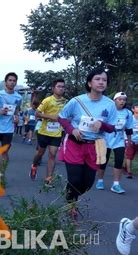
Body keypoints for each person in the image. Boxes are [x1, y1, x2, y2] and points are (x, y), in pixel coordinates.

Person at [57, 68, 117, 220]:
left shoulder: (110, 104)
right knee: (75, 179)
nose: (101, 82)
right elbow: (62, 118)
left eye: (104, 80)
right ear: (90, 83)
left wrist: (102, 125)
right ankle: (71, 205)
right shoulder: (76, 101)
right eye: (98, 79)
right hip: (75, 143)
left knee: (88, 183)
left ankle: (70, 193)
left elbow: (112, 127)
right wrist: (72, 129)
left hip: (97, 146)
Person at [29, 79, 67, 185]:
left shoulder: (65, 102)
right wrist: (51, 117)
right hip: (44, 132)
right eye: (59, 86)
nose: (61, 89)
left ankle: (48, 178)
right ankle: (34, 165)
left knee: (52, 154)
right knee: (40, 153)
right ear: (53, 88)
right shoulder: (47, 100)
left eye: (63, 87)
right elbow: (37, 114)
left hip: (57, 133)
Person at [95, 92, 133, 193]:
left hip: (119, 140)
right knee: (103, 161)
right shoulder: (107, 110)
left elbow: (129, 129)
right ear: (114, 100)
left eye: (124, 99)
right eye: (119, 99)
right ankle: (100, 180)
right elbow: (100, 123)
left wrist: (129, 141)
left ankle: (116, 184)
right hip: (106, 138)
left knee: (119, 160)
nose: (122, 101)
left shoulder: (128, 113)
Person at [0, 72, 23, 169]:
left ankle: (2, 175)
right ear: (5, 82)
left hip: (8, 128)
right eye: (10, 80)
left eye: (14, 81)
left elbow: (17, 110)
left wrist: (17, 118)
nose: (12, 82)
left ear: (16, 83)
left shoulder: (18, 97)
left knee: (5, 151)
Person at [125, 103, 138, 178]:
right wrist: (127, 139)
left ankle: (125, 167)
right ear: (133, 109)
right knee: (129, 156)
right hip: (130, 140)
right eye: (137, 107)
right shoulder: (130, 118)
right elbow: (126, 128)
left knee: (131, 156)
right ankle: (129, 173)